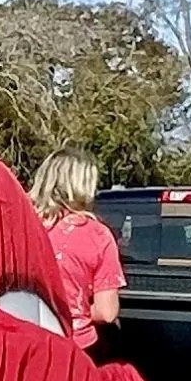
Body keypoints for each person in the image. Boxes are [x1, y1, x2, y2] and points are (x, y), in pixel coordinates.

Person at [29, 149, 124, 350]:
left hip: (22, 341)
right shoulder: (97, 235)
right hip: (75, 345)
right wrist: (79, 309)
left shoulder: (19, 222)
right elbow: (107, 313)